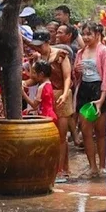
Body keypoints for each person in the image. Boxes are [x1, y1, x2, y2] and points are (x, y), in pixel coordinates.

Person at [25, 28, 73, 183]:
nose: (38, 48)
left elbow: (67, 77)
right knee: (50, 135)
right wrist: (21, 84)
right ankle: (54, 167)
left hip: (61, 95)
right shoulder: (38, 58)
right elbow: (35, 79)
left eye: (40, 45)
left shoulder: (60, 55)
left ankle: (62, 170)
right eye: (36, 45)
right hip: (47, 97)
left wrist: (65, 95)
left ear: (48, 42)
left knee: (61, 136)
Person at [74, 22, 106, 179]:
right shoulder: (80, 52)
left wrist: (101, 99)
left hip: (99, 90)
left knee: (100, 131)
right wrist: (76, 71)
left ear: (98, 35)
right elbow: (76, 77)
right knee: (85, 130)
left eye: (89, 34)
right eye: (83, 34)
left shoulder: (104, 51)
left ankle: (102, 165)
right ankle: (92, 167)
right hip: (85, 89)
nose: (86, 37)